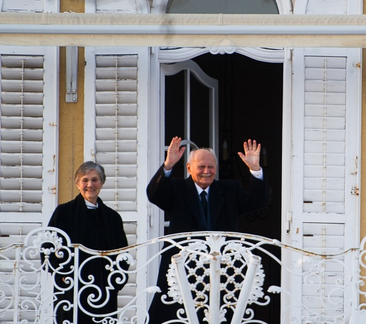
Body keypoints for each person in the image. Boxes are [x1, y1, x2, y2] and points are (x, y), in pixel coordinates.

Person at [146, 136, 269, 323]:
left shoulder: (230, 190)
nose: (206, 171)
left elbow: (258, 201)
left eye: (211, 167)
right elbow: (153, 195)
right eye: (201, 167)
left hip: (222, 268)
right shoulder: (176, 188)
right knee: (176, 317)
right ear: (189, 168)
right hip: (182, 267)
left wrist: (255, 170)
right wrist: (168, 165)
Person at [44, 161, 128, 324]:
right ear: (77, 184)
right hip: (72, 288)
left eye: (95, 180)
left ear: (102, 183)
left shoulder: (112, 218)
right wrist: (62, 275)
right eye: (85, 180)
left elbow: (123, 254)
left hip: (104, 289)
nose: (90, 184)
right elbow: (48, 247)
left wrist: (116, 282)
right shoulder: (63, 213)